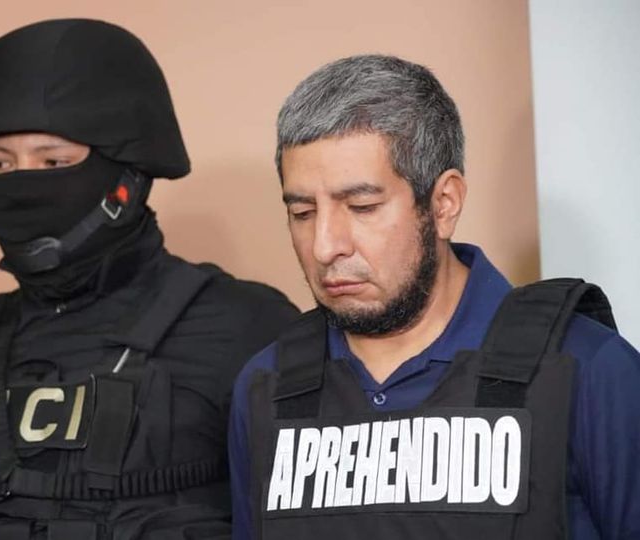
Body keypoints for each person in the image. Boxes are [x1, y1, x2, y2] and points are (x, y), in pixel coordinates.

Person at [0, 18, 299, 540]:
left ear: (128, 178)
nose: (23, 184)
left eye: (54, 160)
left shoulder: (245, 329)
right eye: (0, 164)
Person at [228, 54, 640, 540]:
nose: (325, 246)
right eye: (302, 213)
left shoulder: (588, 370)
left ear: (443, 204)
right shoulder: (266, 386)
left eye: (362, 206)